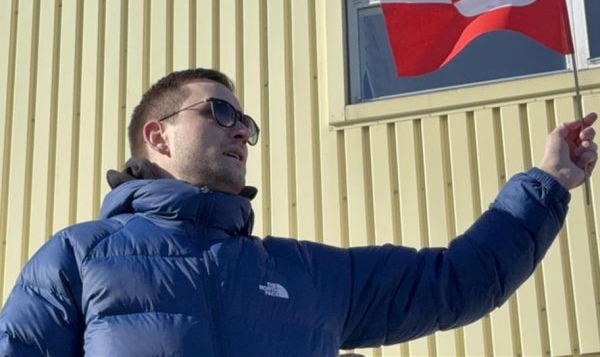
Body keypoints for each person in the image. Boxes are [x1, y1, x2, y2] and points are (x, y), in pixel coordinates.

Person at [0, 68, 597, 356]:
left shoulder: (307, 274)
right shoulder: (77, 257)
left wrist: (548, 185)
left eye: (247, 122)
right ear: (157, 136)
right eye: (220, 113)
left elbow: (456, 282)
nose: (242, 132)